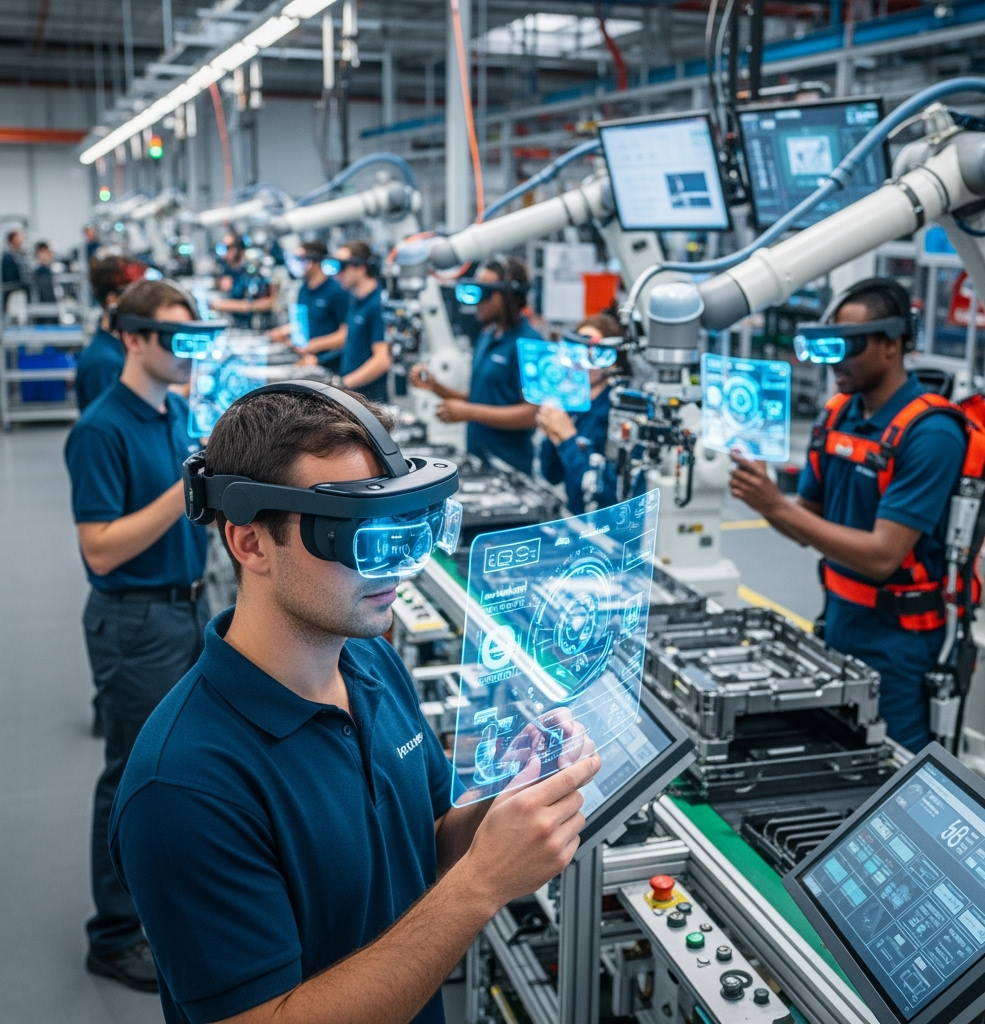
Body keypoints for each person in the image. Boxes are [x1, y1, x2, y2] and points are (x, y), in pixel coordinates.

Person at [108, 383, 600, 1024]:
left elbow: (421, 844)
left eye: (405, 528)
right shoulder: (182, 786)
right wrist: (481, 887)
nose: (395, 565)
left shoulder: (368, 661)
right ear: (251, 543)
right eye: (357, 537)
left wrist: (499, 801)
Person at [728, 278, 966, 753]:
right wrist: (764, 498)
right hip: (836, 624)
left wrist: (774, 505)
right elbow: (805, 525)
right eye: (827, 345)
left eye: (849, 344)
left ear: (893, 343)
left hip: (898, 647)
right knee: (839, 754)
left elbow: (882, 557)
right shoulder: (837, 416)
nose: (835, 359)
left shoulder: (932, 434)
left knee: (896, 765)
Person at [64, 279, 211, 992]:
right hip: (136, 620)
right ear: (132, 338)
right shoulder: (101, 428)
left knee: (181, 765)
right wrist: (186, 491)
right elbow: (100, 548)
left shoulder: (176, 412)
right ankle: (114, 934)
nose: (189, 354)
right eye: (176, 340)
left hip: (189, 607)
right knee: (127, 774)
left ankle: (164, 904)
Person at [411, 256, 542, 475]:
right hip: (479, 459)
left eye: (483, 292)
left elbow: (532, 414)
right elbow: (481, 396)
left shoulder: (531, 343)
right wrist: (436, 388)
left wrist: (469, 412)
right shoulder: (487, 335)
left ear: (507, 296)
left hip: (510, 467)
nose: (476, 302)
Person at [538, 312, 626, 515]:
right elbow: (552, 475)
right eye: (574, 351)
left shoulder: (616, 413)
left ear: (613, 363)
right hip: (575, 520)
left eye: (589, 352)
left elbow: (605, 497)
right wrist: (552, 436)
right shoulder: (572, 405)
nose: (579, 362)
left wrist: (568, 439)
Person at [75, 256, 147, 412]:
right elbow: (110, 424)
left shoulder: (119, 347)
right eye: (139, 294)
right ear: (113, 300)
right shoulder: (103, 363)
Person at [269, 239, 349, 365]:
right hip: (305, 358)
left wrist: (315, 345)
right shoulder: (304, 289)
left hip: (329, 361)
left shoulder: (337, 291)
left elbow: (346, 334)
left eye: (301, 260)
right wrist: (285, 332)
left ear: (314, 261)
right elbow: (304, 322)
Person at [333, 240, 391, 402]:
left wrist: (343, 385)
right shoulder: (355, 299)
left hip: (368, 400)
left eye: (342, 266)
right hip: (353, 394)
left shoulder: (378, 303)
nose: (337, 274)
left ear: (360, 267)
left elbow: (382, 360)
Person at [210, 233, 276, 328]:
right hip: (235, 327)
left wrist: (231, 306)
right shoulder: (228, 271)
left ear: (238, 249)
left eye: (227, 248)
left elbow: (269, 302)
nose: (224, 253)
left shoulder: (257, 270)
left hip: (256, 328)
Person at [2, 228, 28, 309]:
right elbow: (9, 278)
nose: (22, 240)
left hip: (19, 292)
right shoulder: (7, 257)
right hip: (13, 293)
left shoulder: (20, 257)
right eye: (19, 238)